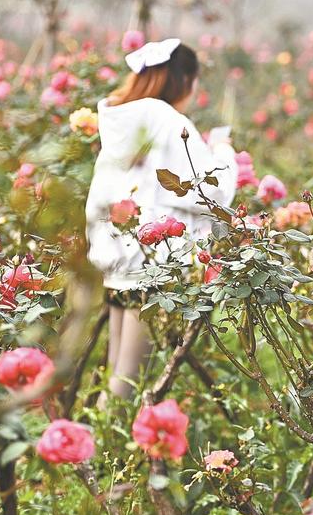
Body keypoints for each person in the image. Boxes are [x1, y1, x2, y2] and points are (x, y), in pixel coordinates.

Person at [85, 38, 237, 403]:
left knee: (116, 374)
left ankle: (94, 434)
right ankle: (99, 441)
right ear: (182, 80)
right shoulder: (167, 121)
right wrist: (223, 152)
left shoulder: (123, 120)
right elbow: (208, 192)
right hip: (152, 266)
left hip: (118, 258)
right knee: (126, 384)